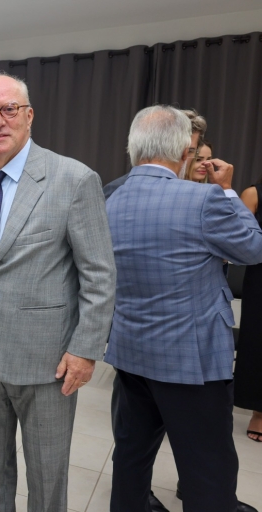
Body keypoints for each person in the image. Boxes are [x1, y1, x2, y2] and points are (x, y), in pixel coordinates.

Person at [0, 73, 116, 512]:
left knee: (46, 478)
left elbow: (99, 273)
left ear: (29, 116)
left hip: (49, 364)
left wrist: (85, 350)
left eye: (9, 110)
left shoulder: (74, 180)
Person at [105, 105, 262, 512]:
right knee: (207, 467)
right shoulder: (205, 198)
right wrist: (228, 190)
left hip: (129, 352)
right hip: (191, 363)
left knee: (131, 456)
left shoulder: (108, 198)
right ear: (183, 150)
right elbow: (253, 248)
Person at [103, 108, 206, 199]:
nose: (185, 156)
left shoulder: (197, 193)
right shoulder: (116, 190)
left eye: (192, 151)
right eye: (183, 149)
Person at [237, 180, 262, 442]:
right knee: (259, 342)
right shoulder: (253, 193)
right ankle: (259, 409)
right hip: (261, 277)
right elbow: (242, 242)